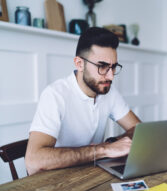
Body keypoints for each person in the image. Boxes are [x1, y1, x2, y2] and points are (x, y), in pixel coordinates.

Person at [25, 27, 141, 175]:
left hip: (90, 174)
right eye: (102, 66)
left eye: (113, 67)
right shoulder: (55, 94)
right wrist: (103, 149)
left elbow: (139, 130)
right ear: (79, 64)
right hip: (56, 180)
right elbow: (34, 160)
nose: (111, 76)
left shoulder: (108, 90)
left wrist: (111, 143)